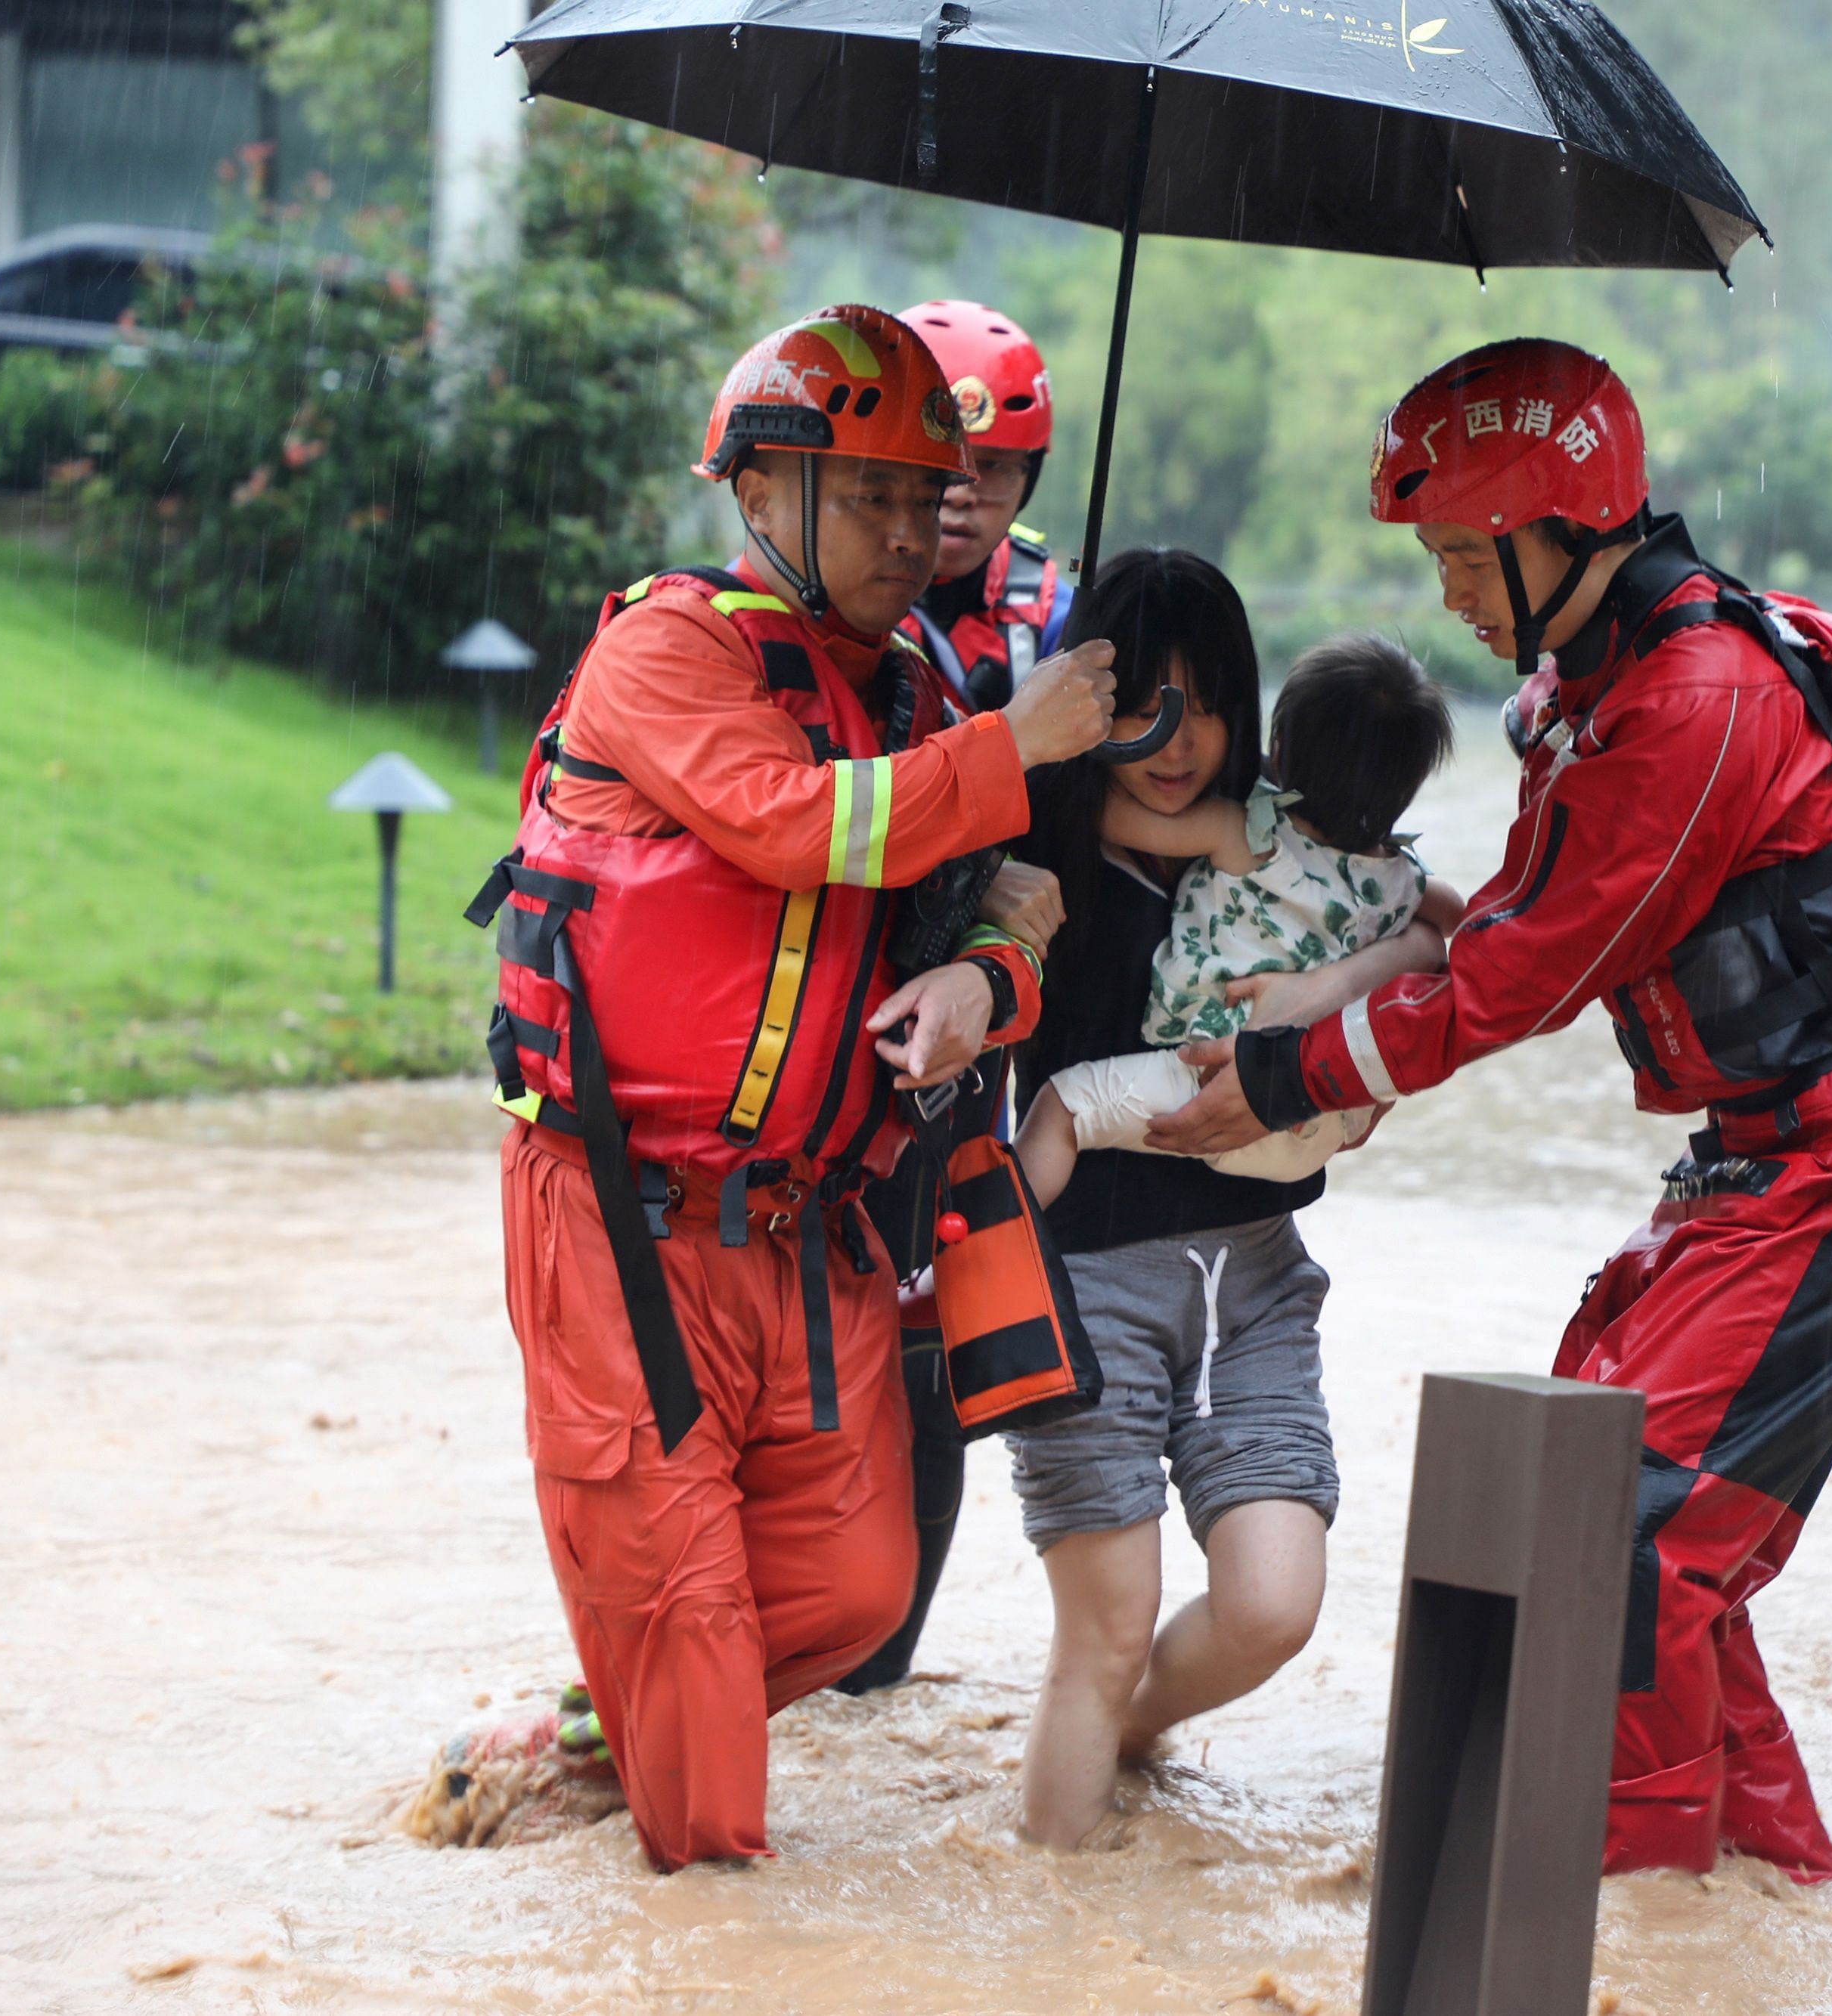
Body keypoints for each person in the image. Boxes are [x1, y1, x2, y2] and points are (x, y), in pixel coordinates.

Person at [1150, 338, 1832, 1880]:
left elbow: (1529, 970)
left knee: (1619, 1540)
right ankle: (1762, 1888)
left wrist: (1292, 1076)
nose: (1446, 598)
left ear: (1550, 527)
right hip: (1770, 1152)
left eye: (1454, 555)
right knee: (1625, 1524)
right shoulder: (1604, 681)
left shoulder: (1693, 697)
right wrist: (1319, 1006)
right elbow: (1501, 921)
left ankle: (1607, 1911)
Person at [468, 303, 1121, 1871]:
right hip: (622, 1219)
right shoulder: (667, 644)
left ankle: (578, 1740)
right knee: (690, 1621)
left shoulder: (912, 698)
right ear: (759, 493)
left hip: (809, 1224)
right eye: (869, 495)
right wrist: (1014, 745)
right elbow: (786, 822)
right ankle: (708, 1915)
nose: (911, 533)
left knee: (850, 1595)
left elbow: (1006, 905)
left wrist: (984, 978)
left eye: (928, 496)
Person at [1003, 552, 1452, 1850]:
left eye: (1202, 705)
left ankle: (1127, 1734)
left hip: (1254, 1275)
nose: (1169, 739)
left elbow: (1460, 931)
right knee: (1103, 1632)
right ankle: (1059, 1939)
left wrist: (1329, 990)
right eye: (1133, 701)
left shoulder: (1299, 834)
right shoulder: (1040, 850)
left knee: (1272, 1605)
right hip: (1087, 1286)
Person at [832, 298, 1073, 1699]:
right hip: (826, 1005)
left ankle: (879, 1674)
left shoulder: (1061, 615)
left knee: (931, 1352)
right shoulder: (818, 606)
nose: (961, 504)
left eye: (993, 476)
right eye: (934, 475)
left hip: (981, 1028)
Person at [1015, 633, 1462, 1204]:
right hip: (1322, 1112)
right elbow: (1460, 919)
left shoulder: (1242, 832)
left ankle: (983, 1252)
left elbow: (1105, 817)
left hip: (1203, 1082)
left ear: (1277, 742)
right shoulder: (1402, 879)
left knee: (1060, 1109)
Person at [896, 299, 1071, 715]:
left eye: (992, 466)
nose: (961, 493)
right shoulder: (811, 598)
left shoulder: (1057, 625)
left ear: (1029, 478)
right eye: (936, 461)